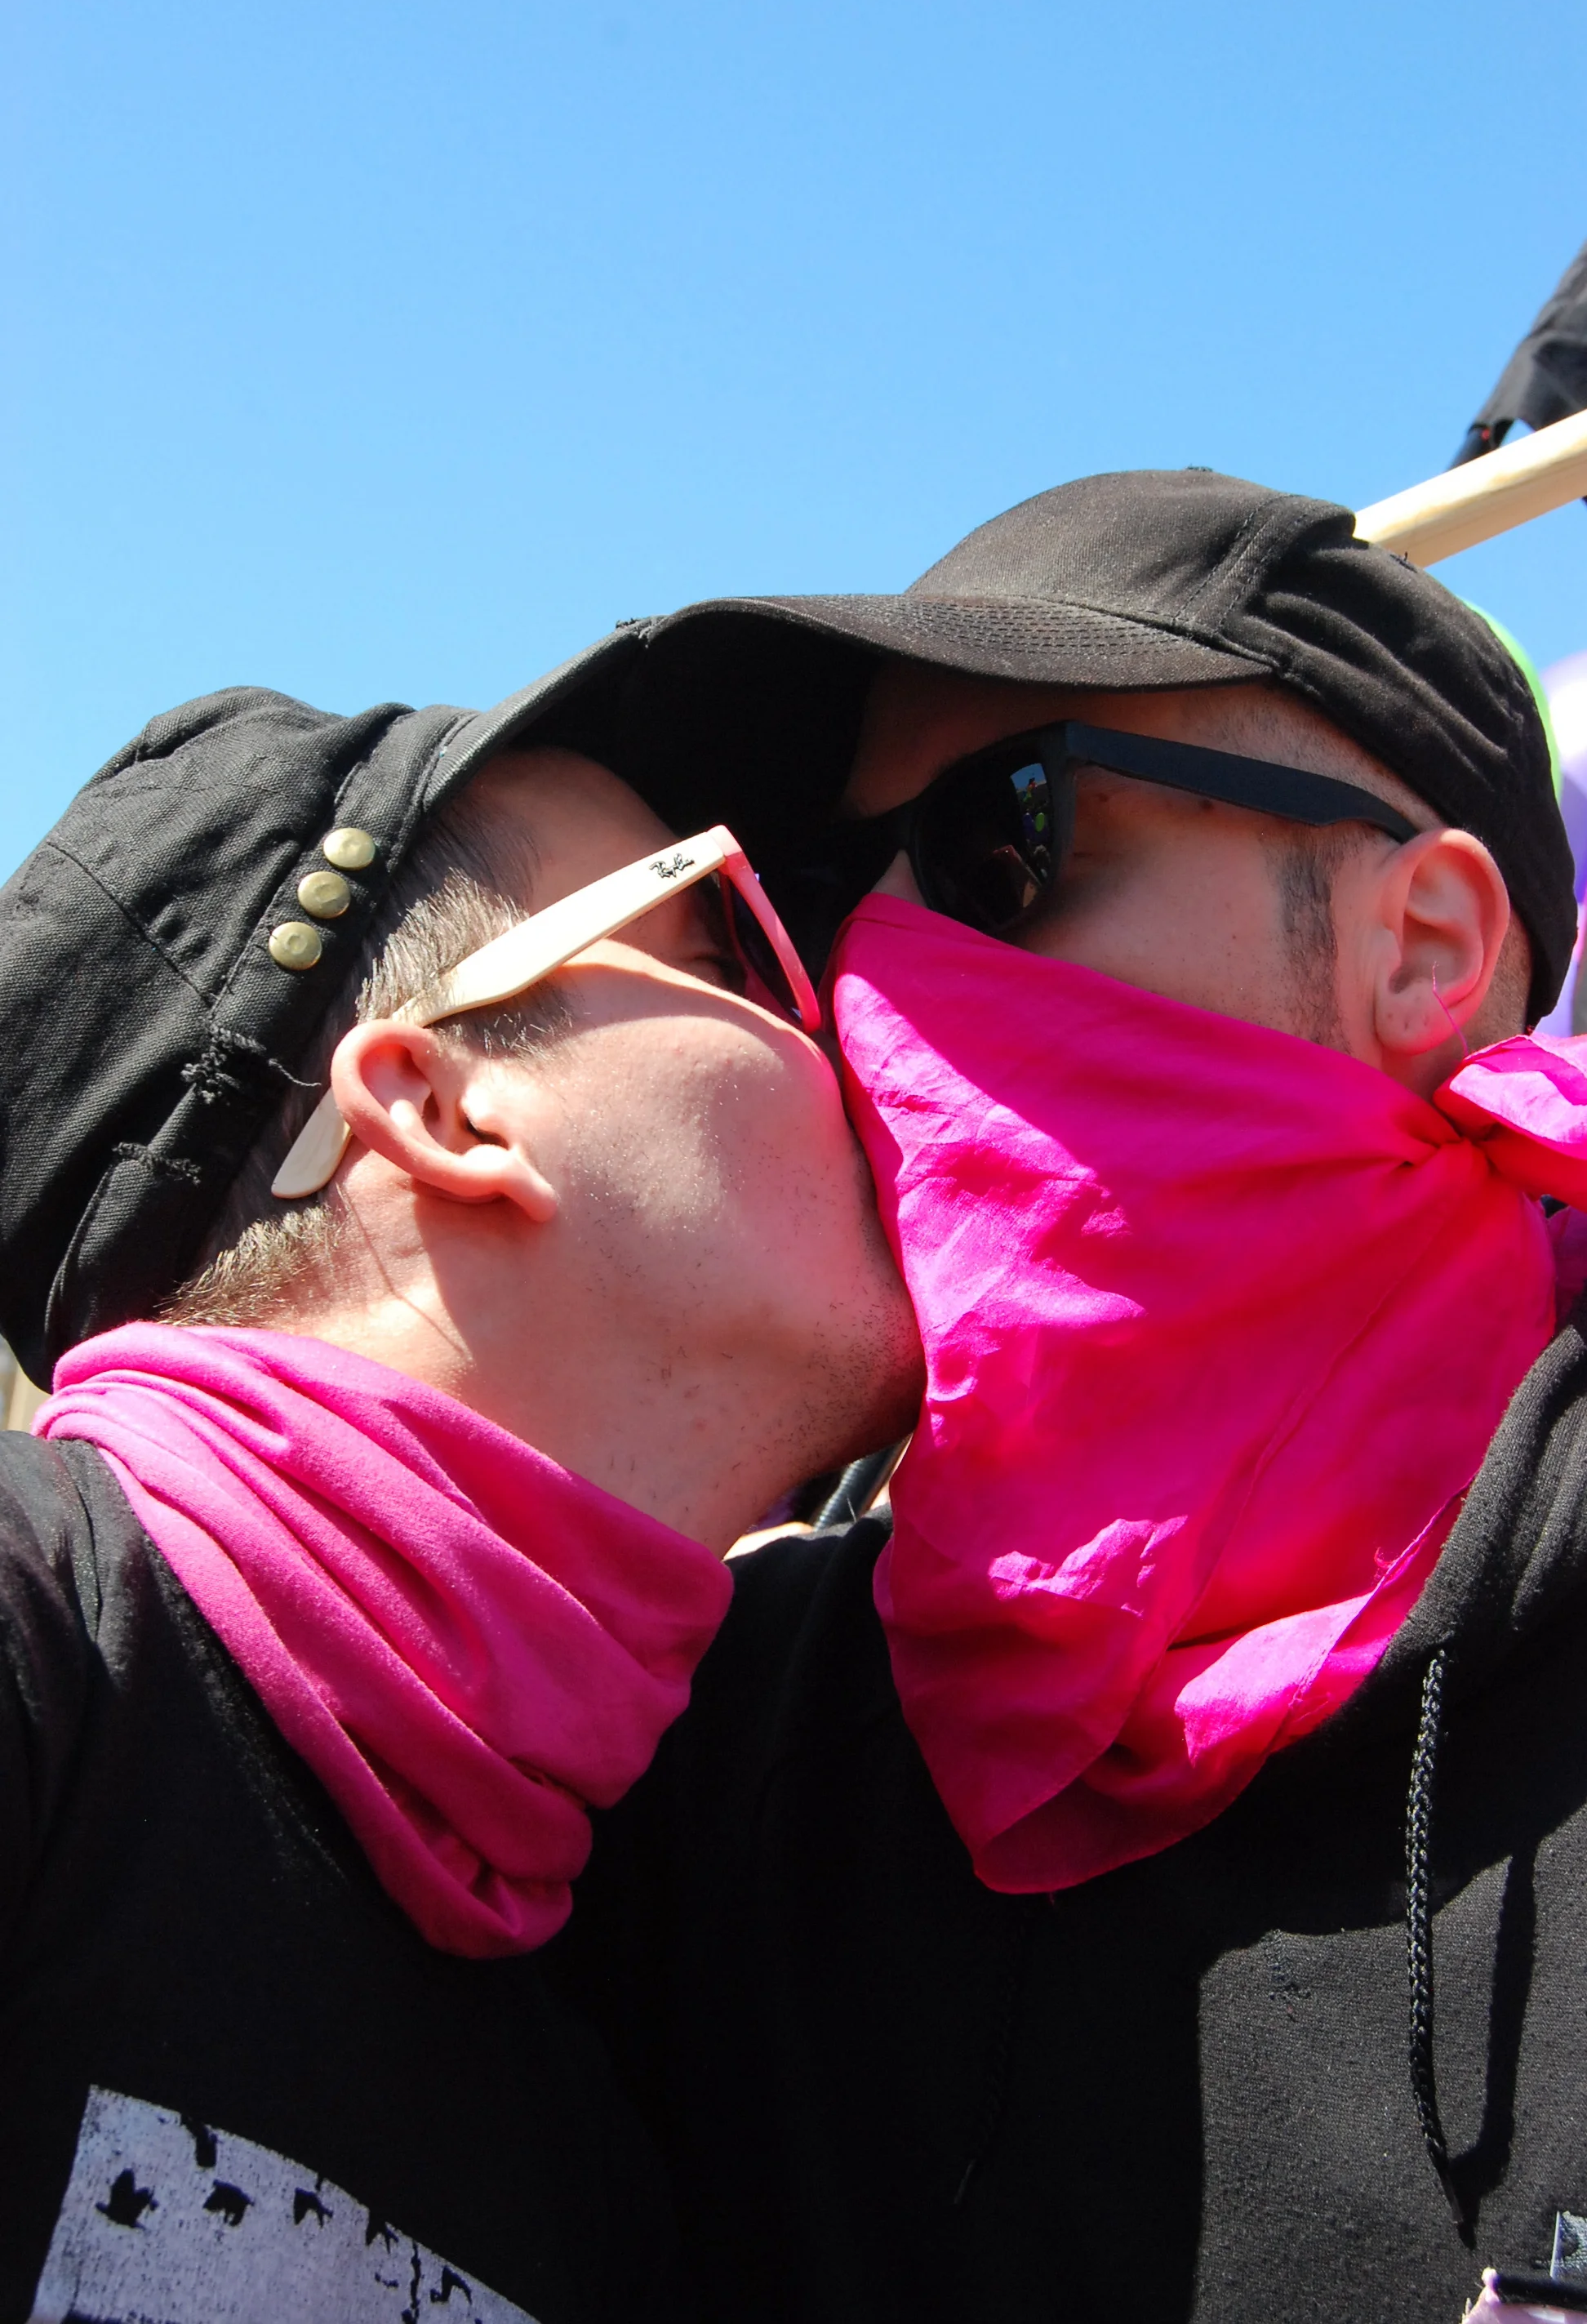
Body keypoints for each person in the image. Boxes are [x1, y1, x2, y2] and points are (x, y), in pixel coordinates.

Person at [544, 470, 1587, 2322]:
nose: (867, 979)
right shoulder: (701, 1751)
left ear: (1419, 947)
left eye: (998, 839)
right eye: (812, 907)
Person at [0, 686, 921, 2324]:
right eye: (733, 943)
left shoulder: (608, 2036)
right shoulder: (37, 1633)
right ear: (439, 1104)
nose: (855, 1023)